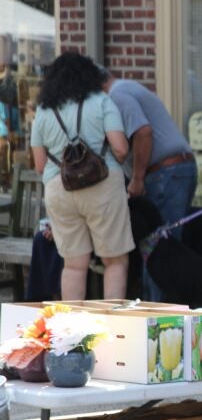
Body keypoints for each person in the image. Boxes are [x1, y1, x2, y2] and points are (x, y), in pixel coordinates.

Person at [30, 52, 133, 301]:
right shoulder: (102, 101)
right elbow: (120, 148)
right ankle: (113, 327)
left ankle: (73, 331)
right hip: (102, 187)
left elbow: (40, 165)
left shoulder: (44, 110)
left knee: (74, 265)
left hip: (59, 189)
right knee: (114, 261)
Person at [100, 66, 197, 301]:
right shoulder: (127, 88)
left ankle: (157, 319)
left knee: (159, 252)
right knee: (163, 248)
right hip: (174, 172)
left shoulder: (117, 96)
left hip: (165, 175)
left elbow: (143, 132)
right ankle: (160, 316)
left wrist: (137, 178)